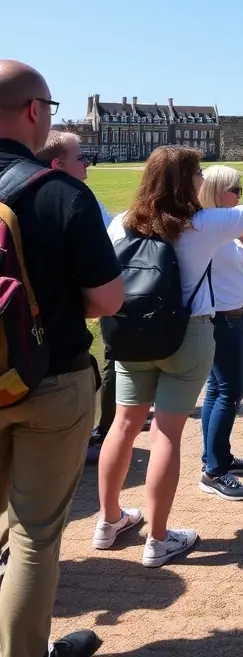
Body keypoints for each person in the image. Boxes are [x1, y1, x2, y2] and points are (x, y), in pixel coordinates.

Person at [94, 132, 243, 568]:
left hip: (131, 335)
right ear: (184, 181)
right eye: (197, 174)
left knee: (124, 426)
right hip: (188, 334)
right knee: (166, 432)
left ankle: (109, 521)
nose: (202, 180)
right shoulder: (201, 224)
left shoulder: (122, 222)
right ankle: (158, 540)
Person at [0, 59, 124, 657]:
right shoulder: (60, 193)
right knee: (34, 536)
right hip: (49, 379)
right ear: (34, 112)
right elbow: (106, 299)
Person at [35, 131, 118, 465]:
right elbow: (105, 297)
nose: (87, 163)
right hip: (58, 344)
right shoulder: (75, 199)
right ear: (58, 164)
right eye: (81, 158)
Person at [198, 166, 243, 501]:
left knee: (217, 389)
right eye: (235, 190)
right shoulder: (205, 229)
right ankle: (214, 472)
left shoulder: (229, 226)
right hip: (219, 318)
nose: (240, 195)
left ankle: (217, 456)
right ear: (216, 191)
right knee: (231, 391)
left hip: (235, 315)